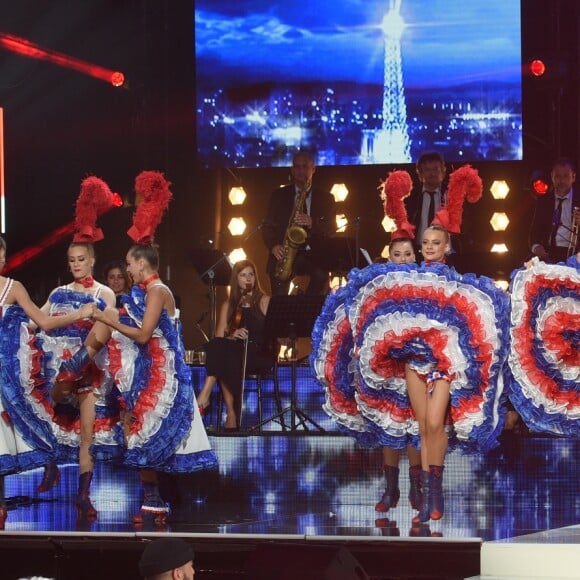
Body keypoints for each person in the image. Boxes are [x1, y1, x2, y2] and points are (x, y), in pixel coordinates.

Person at [88, 170, 218, 524]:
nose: (127, 268)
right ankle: (154, 500)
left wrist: (108, 319)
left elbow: (145, 335)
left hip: (166, 377)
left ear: (141, 264)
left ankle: (163, 501)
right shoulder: (145, 293)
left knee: (157, 436)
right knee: (141, 435)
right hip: (147, 374)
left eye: (129, 263)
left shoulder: (159, 292)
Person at [36, 177, 119, 522]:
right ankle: (50, 464)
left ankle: (83, 495)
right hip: (57, 369)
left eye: (81, 259)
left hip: (89, 369)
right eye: (71, 260)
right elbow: (40, 320)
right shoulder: (57, 294)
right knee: (48, 420)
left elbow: (105, 332)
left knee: (87, 433)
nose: (75, 264)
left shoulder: (105, 293)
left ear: (92, 260)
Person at [0, 235, 93, 530]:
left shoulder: (14, 288)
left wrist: (80, 313)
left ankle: (1, 505)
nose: (1, 259)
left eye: (1, 253)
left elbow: (44, 322)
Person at [374, 236, 423, 514]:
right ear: (389, 257)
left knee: (414, 425)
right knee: (389, 425)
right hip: (387, 362)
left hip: (416, 361)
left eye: (407, 253)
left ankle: (417, 488)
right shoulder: (379, 286)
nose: (403, 258)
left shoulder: (423, 284)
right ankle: (391, 489)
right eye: (397, 254)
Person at [196, 259, 272, 430]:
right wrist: (233, 334)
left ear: (255, 278)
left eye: (251, 274)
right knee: (221, 350)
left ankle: (206, 397)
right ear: (236, 279)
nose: (248, 279)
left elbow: (271, 333)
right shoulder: (229, 305)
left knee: (223, 357)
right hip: (236, 354)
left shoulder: (265, 300)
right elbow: (219, 338)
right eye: (243, 275)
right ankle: (231, 412)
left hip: (258, 352)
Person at [262, 150, 336, 296]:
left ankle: (305, 307)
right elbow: (267, 226)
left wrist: (312, 223)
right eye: (296, 167)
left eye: (305, 167)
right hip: (285, 252)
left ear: (313, 169)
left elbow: (331, 228)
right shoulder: (278, 195)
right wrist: (273, 246)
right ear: (291, 169)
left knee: (321, 276)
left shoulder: (326, 198)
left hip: (313, 254)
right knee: (279, 291)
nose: (300, 171)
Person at [529, 157, 580, 263]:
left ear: (573, 177)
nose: (561, 180)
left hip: (575, 254)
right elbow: (533, 232)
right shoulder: (543, 201)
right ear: (552, 177)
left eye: (566, 176)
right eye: (557, 176)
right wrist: (536, 247)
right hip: (548, 253)